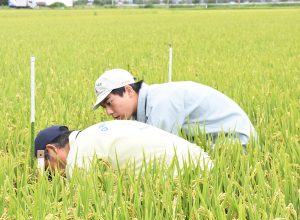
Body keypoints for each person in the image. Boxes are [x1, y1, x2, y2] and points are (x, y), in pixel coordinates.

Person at [93, 69, 257, 147]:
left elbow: (161, 153)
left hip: (236, 142)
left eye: (109, 103)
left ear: (128, 90)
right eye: (104, 107)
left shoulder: (160, 103)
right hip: (215, 142)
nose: (108, 112)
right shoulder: (148, 104)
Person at [34, 120, 213, 178]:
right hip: (202, 160)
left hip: (189, 176)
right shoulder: (95, 130)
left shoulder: (78, 157)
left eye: (48, 170)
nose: (56, 176)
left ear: (52, 149)